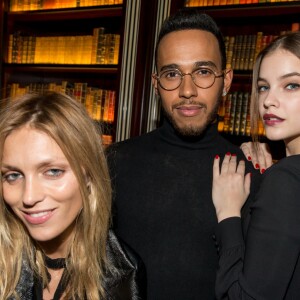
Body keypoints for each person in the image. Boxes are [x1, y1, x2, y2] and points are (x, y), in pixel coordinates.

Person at [106, 8, 261, 299]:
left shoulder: (253, 174)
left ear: (226, 81)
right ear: (156, 84)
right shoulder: (113, 163)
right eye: (172, 73)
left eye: (203, 71)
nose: (187, 90)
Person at [0, 92, 146, 299]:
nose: (29, 197)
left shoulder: (123, 272)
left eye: (53, 172)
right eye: (13, 175)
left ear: (89, 176)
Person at [212, 31, 300, 299]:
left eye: (292, 85)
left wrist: (228, 212)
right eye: (263, 87)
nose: (268, 101)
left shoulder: (286, 179)